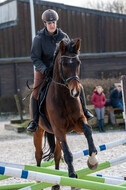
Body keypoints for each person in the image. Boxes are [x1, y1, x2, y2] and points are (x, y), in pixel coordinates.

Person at [27, 9, 94, 132]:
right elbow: (35, 58)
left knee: (79, 87)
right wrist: (44, 69)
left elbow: (70, 53)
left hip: (60, 71)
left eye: (53, 22)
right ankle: (34, 121)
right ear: (45, 24)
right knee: (35, 93)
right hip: (43, 70)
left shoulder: (63, 36)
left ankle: (85, 111)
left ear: (56, 23)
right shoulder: (39, 39)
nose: (52, 25)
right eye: (49, 23)